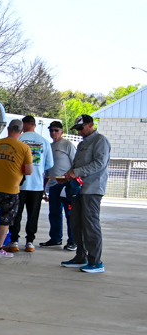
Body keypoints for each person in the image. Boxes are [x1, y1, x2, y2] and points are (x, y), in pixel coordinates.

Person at [62, 114, 111, 273]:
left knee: (90, 225)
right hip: (78, 190)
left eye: (81, 128)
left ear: (91, 125)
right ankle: (80, 257)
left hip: (92, 190)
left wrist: (77, 172)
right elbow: (76, 164)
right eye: (77, 129)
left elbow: (99, 163)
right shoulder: (82, 144)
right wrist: (69, 175)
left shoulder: (100, 141)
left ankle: (96, 262)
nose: (79, 132)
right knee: (76, 223)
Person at [0, 120, 33, 258]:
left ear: (8, 129)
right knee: (5, 219)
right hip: (11, 188)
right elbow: (29, 171)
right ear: (21, 131)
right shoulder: (24, 148)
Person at [8, 115, 53, 252]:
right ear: (35, 125)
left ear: (23, 125)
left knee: (16, 213)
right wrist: (38, 169)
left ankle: (14, 241)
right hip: (36, 184)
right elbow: (49, 164)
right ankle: (30, 242)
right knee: (33, 214)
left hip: (18, 184)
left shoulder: (18, 139)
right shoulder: (44, 141)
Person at [40, 121, 78, 250]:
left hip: (66, 185)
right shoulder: (49, 146)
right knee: (54, 213)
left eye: (56, 130)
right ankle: (55, 238)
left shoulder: (67, 145)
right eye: (51, 130)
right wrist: (44, 187)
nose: (53, 133)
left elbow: (75, 164)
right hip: (53, 184)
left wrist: (70, 179)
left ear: (62, 132)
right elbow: (47, 168)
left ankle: (73, 240)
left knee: (70, 214)